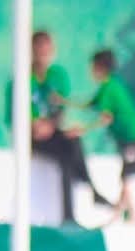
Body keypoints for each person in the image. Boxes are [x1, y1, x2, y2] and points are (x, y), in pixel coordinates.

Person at [13, 30, 107, 225]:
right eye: (39, 49)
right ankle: (89, 188)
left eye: (47, 50)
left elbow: (59, 110)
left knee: (72, 143)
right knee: (68, 151)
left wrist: (51, 124)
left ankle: (71, 213)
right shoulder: (23, 79)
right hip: (30, 137)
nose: (43, 54)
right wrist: (35, 125)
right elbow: (19, 116)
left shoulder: (57, 76)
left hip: (50, 132)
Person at [83, 50, 135, 224]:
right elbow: (89, 104)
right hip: (130, 136)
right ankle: (123, 214)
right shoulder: (110, 85)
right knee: (125, 177)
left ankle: (128, 215)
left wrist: (82, 130)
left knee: (126, 177)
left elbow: (105, 118)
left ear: (99, 67)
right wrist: (63, 101)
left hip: (134, 136)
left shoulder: (109, 87)